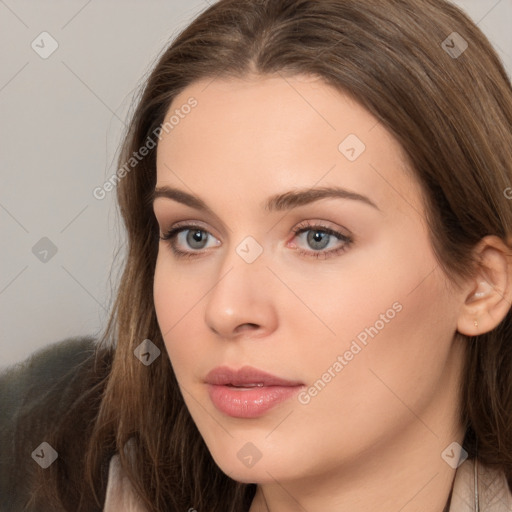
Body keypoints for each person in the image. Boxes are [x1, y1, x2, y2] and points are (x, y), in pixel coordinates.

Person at [2, 0, 512, 510]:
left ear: (481, 284)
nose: (226, 310)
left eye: (318, 237)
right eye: (193, 236)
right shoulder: (40, 464)